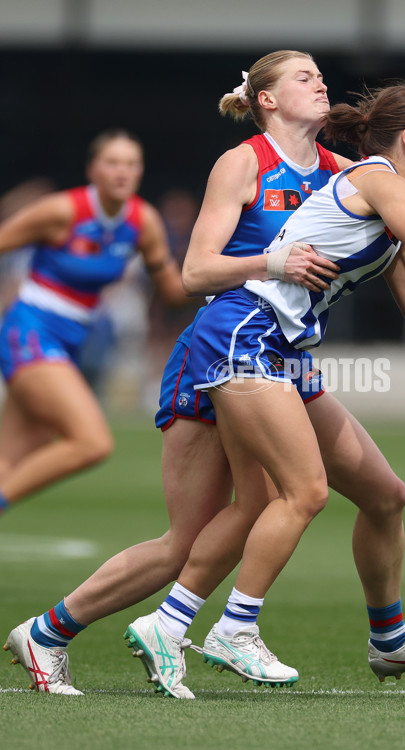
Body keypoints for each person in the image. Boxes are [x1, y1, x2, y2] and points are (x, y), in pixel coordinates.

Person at [119, 81, 405, 698]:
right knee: (302, 492)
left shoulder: (394, 197)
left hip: (280, 348)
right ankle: (231, 628)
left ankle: (388, 639)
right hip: (246, 330)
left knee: (384, 495)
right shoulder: (379, 179)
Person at [3, 51, 346, 697]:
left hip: (269, 356)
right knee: (196, 533)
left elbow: (391, 213)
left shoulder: (341, 172)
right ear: (266, 99)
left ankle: (106, 630)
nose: (320, 81)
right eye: (304, 76)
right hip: (218, 350)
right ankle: (79, 629)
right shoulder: (244, 162)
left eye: (320, 73)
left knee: (249, 511)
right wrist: (274, 263)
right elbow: (196, 275)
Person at [0, 130, 189, 517]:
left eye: (131, 164)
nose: (122, 172)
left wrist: (236, 270)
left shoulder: (142, 221)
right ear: (92, 170)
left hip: (71, 341)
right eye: (112, 162)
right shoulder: (62, 211)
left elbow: (174, 291)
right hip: (29, 331)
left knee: (8, 464)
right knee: (92, 441)